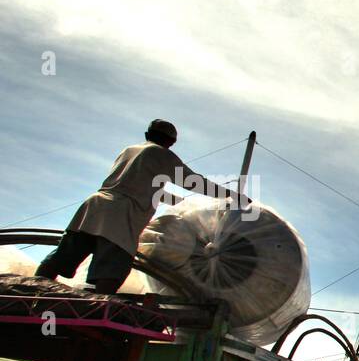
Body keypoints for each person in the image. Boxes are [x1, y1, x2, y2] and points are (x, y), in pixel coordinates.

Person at [35, 120, 250, 294]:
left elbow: (144, 187)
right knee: (112, 269)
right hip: (121, 215)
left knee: (62, 257)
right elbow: (192, 181)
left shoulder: (129, 150)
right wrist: (232, 195)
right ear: (171, 143)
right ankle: (97, 308)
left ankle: (30, 290)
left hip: (94, 207)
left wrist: (183, 204)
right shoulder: (162, 155)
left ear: (147, 134)